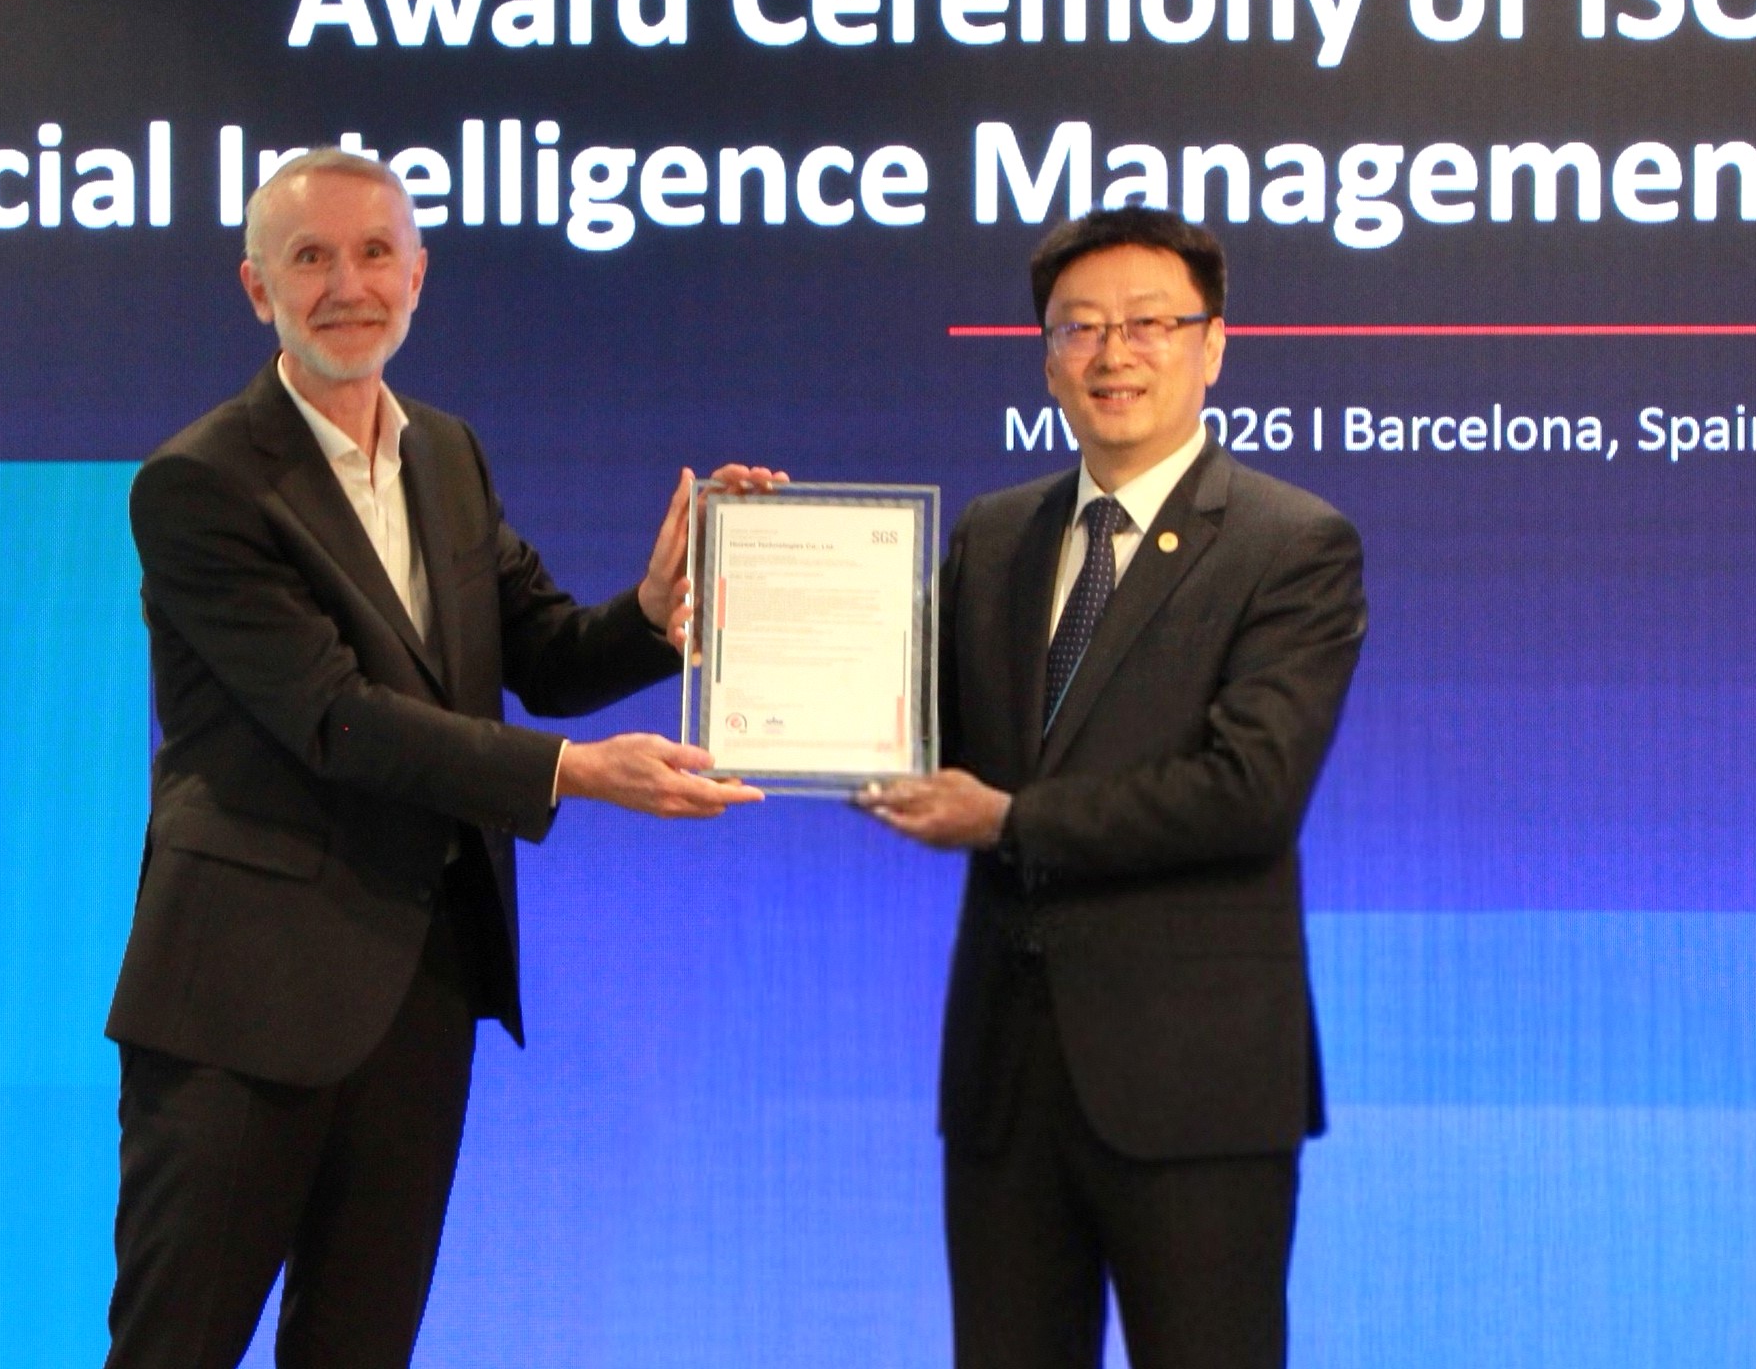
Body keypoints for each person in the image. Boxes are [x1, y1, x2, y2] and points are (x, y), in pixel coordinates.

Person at [102, 147, 771, 1369]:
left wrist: (654, 609)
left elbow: (542, 651)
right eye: (310, 257)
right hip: (240, 1001)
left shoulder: (445, 453)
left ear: (418, 276)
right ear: (257, 288)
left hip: (420, 985)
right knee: (175, 1346)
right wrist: (571, 772)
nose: (346, 285)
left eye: (374, 253)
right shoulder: (198, 483)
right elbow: (335, 716)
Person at [862, 206, 1368, 1369]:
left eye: (1148, 324)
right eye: (1078, 328)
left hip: (1193, 1087)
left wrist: (1009, 819)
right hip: (1005, 1080)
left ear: (1213, 344)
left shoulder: (1291, 543)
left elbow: (1249, 790)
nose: (1111, 353)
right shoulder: (993, 535)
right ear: (1046, 357)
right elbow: (899, 731)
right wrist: (757, 629)